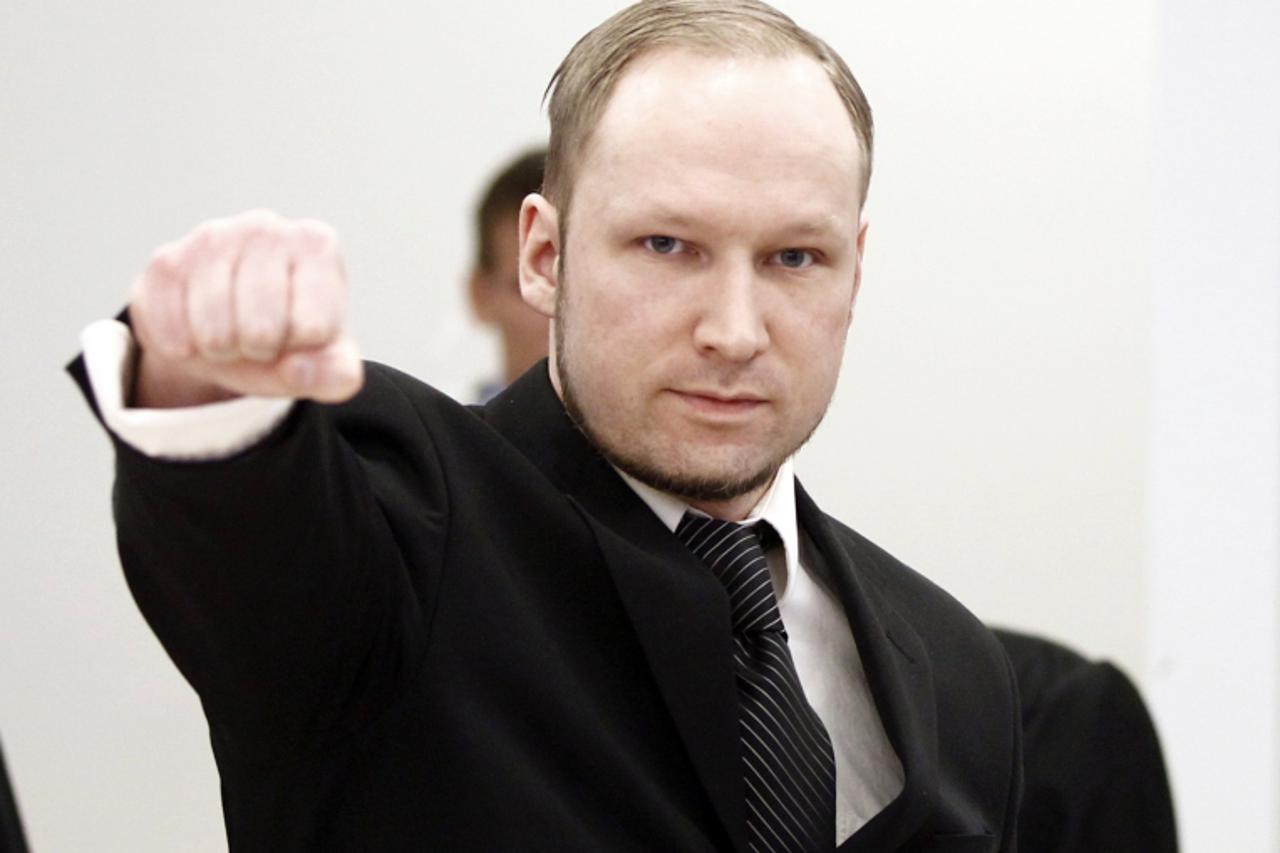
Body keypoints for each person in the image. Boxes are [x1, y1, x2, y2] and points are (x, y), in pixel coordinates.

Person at [69, 1, 1022, 849]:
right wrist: (199, 380)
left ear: (856, 268)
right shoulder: (410, 520)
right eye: (667, 245)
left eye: (794, 258)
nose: (734, 331)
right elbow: (251, 538)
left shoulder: (952, 661)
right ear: (543, 253)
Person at [467, 147, 550, 401]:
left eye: (580, 289)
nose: (558, 314)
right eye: (530, 284)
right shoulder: (441, 439)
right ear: (480, 297)